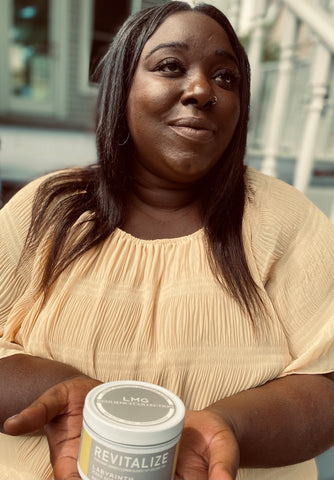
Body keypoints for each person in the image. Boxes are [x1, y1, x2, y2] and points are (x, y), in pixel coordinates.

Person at [0, 2, 333, 479]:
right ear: (122, 87)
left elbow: (326, 383)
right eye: (170, 66)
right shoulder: (47, 209)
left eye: (226, 78)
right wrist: (80, 398)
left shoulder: (285, 219)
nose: (201, 90)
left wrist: (227, 428)